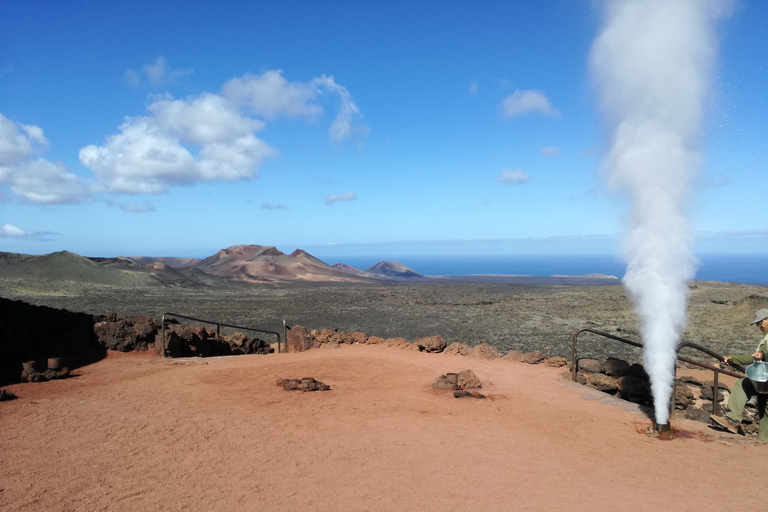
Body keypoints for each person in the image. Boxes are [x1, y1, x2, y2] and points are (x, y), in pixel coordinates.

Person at [710, 308, 768, 440]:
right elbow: (756, 357)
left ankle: (732, 420)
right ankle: (763, 448)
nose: (759, 326)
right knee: (765, 416)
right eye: (757, 323)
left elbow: (759, 356)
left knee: (742, 384)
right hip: (764, 382)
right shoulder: (765, 338)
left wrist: (763, 354)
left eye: (760, 322)